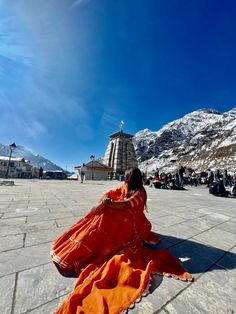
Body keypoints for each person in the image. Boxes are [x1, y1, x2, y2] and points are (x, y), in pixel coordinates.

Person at [51, 167, 192, 313]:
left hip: (135, 224)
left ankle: (100, 241)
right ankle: (87, 243)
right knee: (104, 215)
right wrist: (107, 198)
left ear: (133, 179)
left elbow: (126, 204)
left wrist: (110, 203)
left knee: (109, 215)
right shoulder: (126, 187)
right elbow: (115, 192)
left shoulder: (140, 192)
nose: (125, 180)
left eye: (127, 178)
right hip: (124, 217)